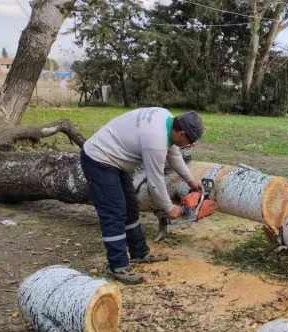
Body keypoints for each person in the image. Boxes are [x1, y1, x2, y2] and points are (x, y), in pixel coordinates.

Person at [80, 108, 204, 284]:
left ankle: (139, 252)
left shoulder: (167, 119)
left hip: (116, 161)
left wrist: (191, 181)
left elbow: (174, 154)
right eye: (190, 142)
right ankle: (118, 265)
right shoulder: (155, 140)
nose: (189, 145)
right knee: (114, 212)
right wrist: (170, 209)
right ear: (182, 133)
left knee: (131, 207)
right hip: (99, 159)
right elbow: (155, 183)